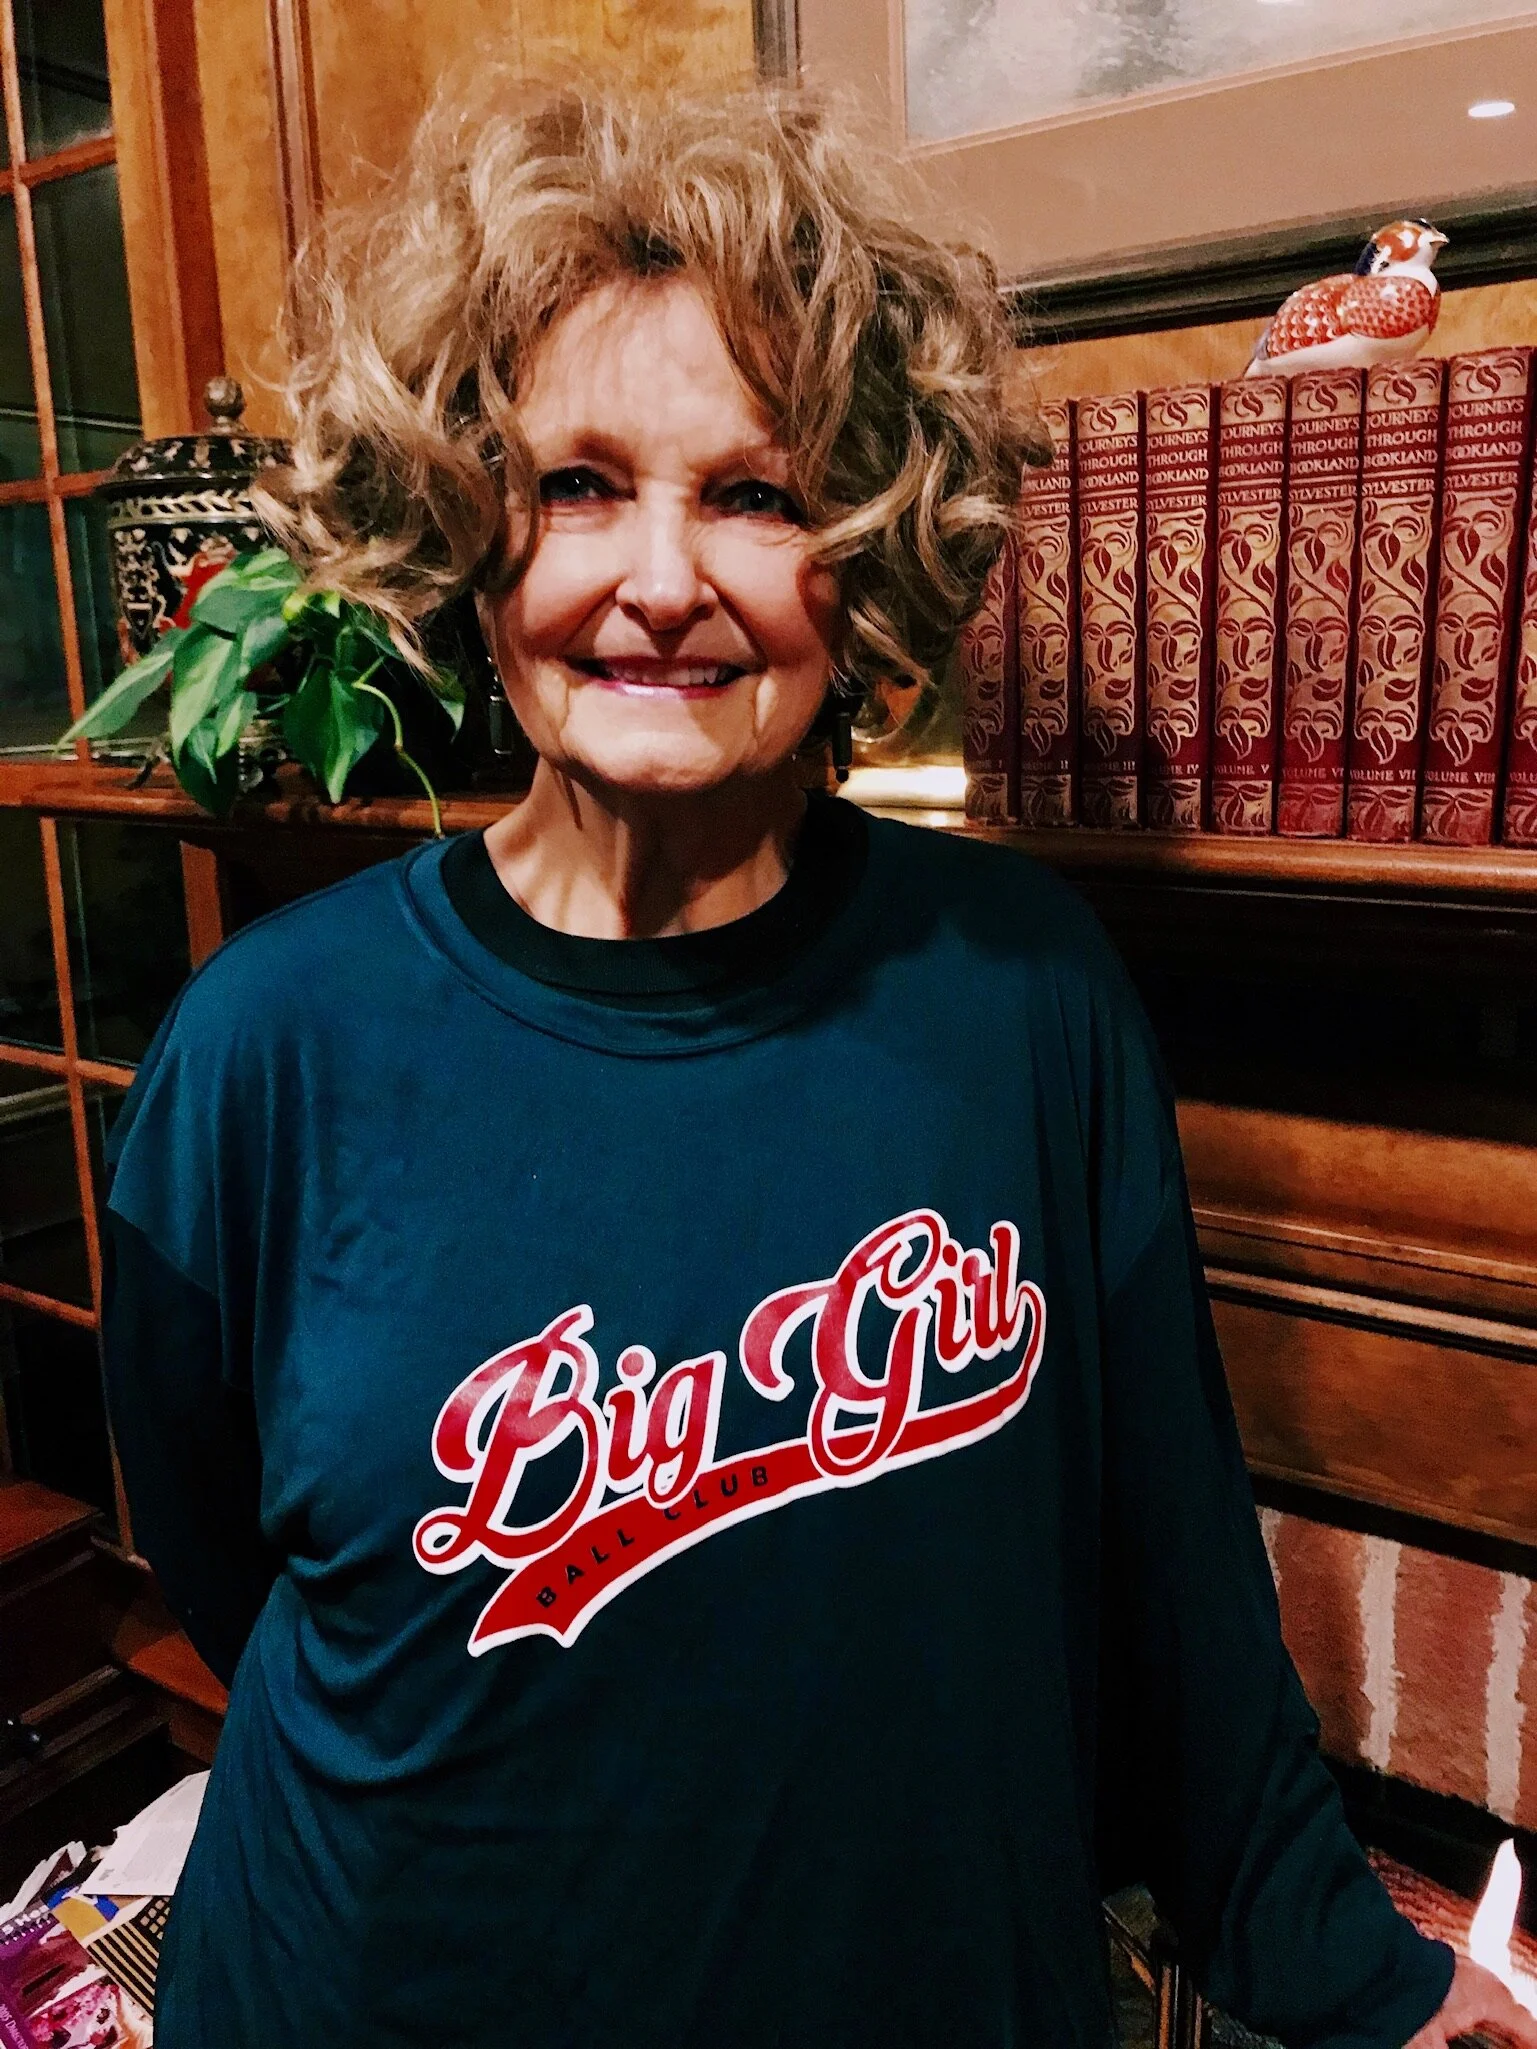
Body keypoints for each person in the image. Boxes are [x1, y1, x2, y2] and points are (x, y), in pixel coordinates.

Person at [101, 79, 1536, 2049]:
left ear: (862, 545)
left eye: (755, 495)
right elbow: (234, 1568)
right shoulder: (265, 1049)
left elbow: (1173, 1586)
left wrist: (1365, 1978)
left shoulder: (1019, 996)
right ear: (465, 515)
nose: (661, 578)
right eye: (577, 482)